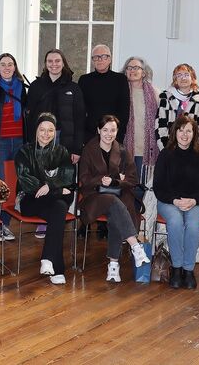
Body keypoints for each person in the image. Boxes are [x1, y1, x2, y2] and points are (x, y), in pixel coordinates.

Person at [78, 115, 150, 282]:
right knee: (113, 202)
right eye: (105, 130)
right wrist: (104, 179)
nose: (108, 134)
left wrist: (115, 180)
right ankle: (135, 246)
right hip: (93, 197)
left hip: (118, 196)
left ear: (117, 131)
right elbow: (84, 179)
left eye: (112, 130)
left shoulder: (123, 151)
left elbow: (132, 179)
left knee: (116, 210)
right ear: (98, 130)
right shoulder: (89, 150)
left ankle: (114, 265)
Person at [153, 115, 199, 290]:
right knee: (175, 222)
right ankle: (177, 268)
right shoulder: (165, 155)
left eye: (189, 131)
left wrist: (194, 200)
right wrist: (175, 200)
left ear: (194, 134)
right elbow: (159, 187)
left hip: (197, 204)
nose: (185, 134)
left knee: (194, 225)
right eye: (181, 130)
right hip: (170, 202)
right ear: (175, 132)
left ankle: (188, 270)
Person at [15, 113, 75, 285]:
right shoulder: (24, 151)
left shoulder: (62, 151)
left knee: (58, 208)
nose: (46, 134)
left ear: (55, 132)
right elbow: (27, 182)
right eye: (42, 130)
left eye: (50, 130)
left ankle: (49, 261)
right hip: (30, 200)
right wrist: (56, 188)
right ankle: (54, 265)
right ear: (36, 131)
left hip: (53, 201)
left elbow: (68, 177)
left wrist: (49, 185)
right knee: (60, 205)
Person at [0, 53, 29, 242]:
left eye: (11, 64)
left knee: (14, 181)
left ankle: (6, 223)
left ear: (15, 67)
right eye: (3, 64)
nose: (7, 67)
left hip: (19, 141)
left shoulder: (23, 89)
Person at [25, 49, 86, 163]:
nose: (54, 64)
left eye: (57, 61)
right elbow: (30, 118)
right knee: (41, 177)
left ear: (63, 63)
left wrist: (77, 149)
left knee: (63, 178)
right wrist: (30, 143)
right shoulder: (35, 86)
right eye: (50, 61)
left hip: (64, 141)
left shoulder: (73, 88)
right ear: (46, 64)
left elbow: (80, 119)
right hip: (41, 139)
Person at [78, 44, 130, 144]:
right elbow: (80, 111)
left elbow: (124, 111)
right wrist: (84, 136)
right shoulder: (84, 80)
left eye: (104, 56)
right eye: (96, 57)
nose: (100, 60)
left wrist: (118, 135)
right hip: (90, 135)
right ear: (93, 61)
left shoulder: (120, 79)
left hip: (114, 135)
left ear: (110, 59)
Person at [155, 63, 199, 150]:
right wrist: (166, 149)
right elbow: (160, 126)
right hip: (168, 150)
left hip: (192, 152)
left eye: (186, 75)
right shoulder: (165, 98)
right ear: (175, 79)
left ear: (192, 78)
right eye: (179, 75)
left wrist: (192, 150)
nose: (183, 78)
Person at [120, 56, 160, 172]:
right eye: (129, 68)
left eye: (136, 67)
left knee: (144, 185)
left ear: (144, 72)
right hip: (125, 146)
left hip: (148, 148)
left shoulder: (155, 93)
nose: (132, 70)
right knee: (127, 184)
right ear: (125, 71)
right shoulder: (120, 91)